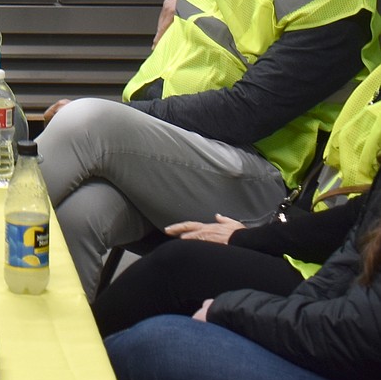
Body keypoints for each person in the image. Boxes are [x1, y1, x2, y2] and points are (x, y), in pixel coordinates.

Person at [36, 0, 381, 296]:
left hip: (255, 178)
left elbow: (245, 114)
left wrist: (134, 116)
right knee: (83, 214)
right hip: (185, 150)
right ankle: (56, 355)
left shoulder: (343, 0)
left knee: (86, 124)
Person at [93, 61, 381, 336]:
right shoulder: (375, 79)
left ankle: (82, 362)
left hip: (344, 277)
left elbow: (361, 215)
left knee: (179, 265)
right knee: (89, 206)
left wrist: (249, 238)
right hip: (317, 244)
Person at [105, 166, 381, 380]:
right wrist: (278, 318)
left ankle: (74, 371)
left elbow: (358, 332)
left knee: (160, 345)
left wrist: (231, 311)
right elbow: (348, 258)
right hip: (350, 349)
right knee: (91, 205)